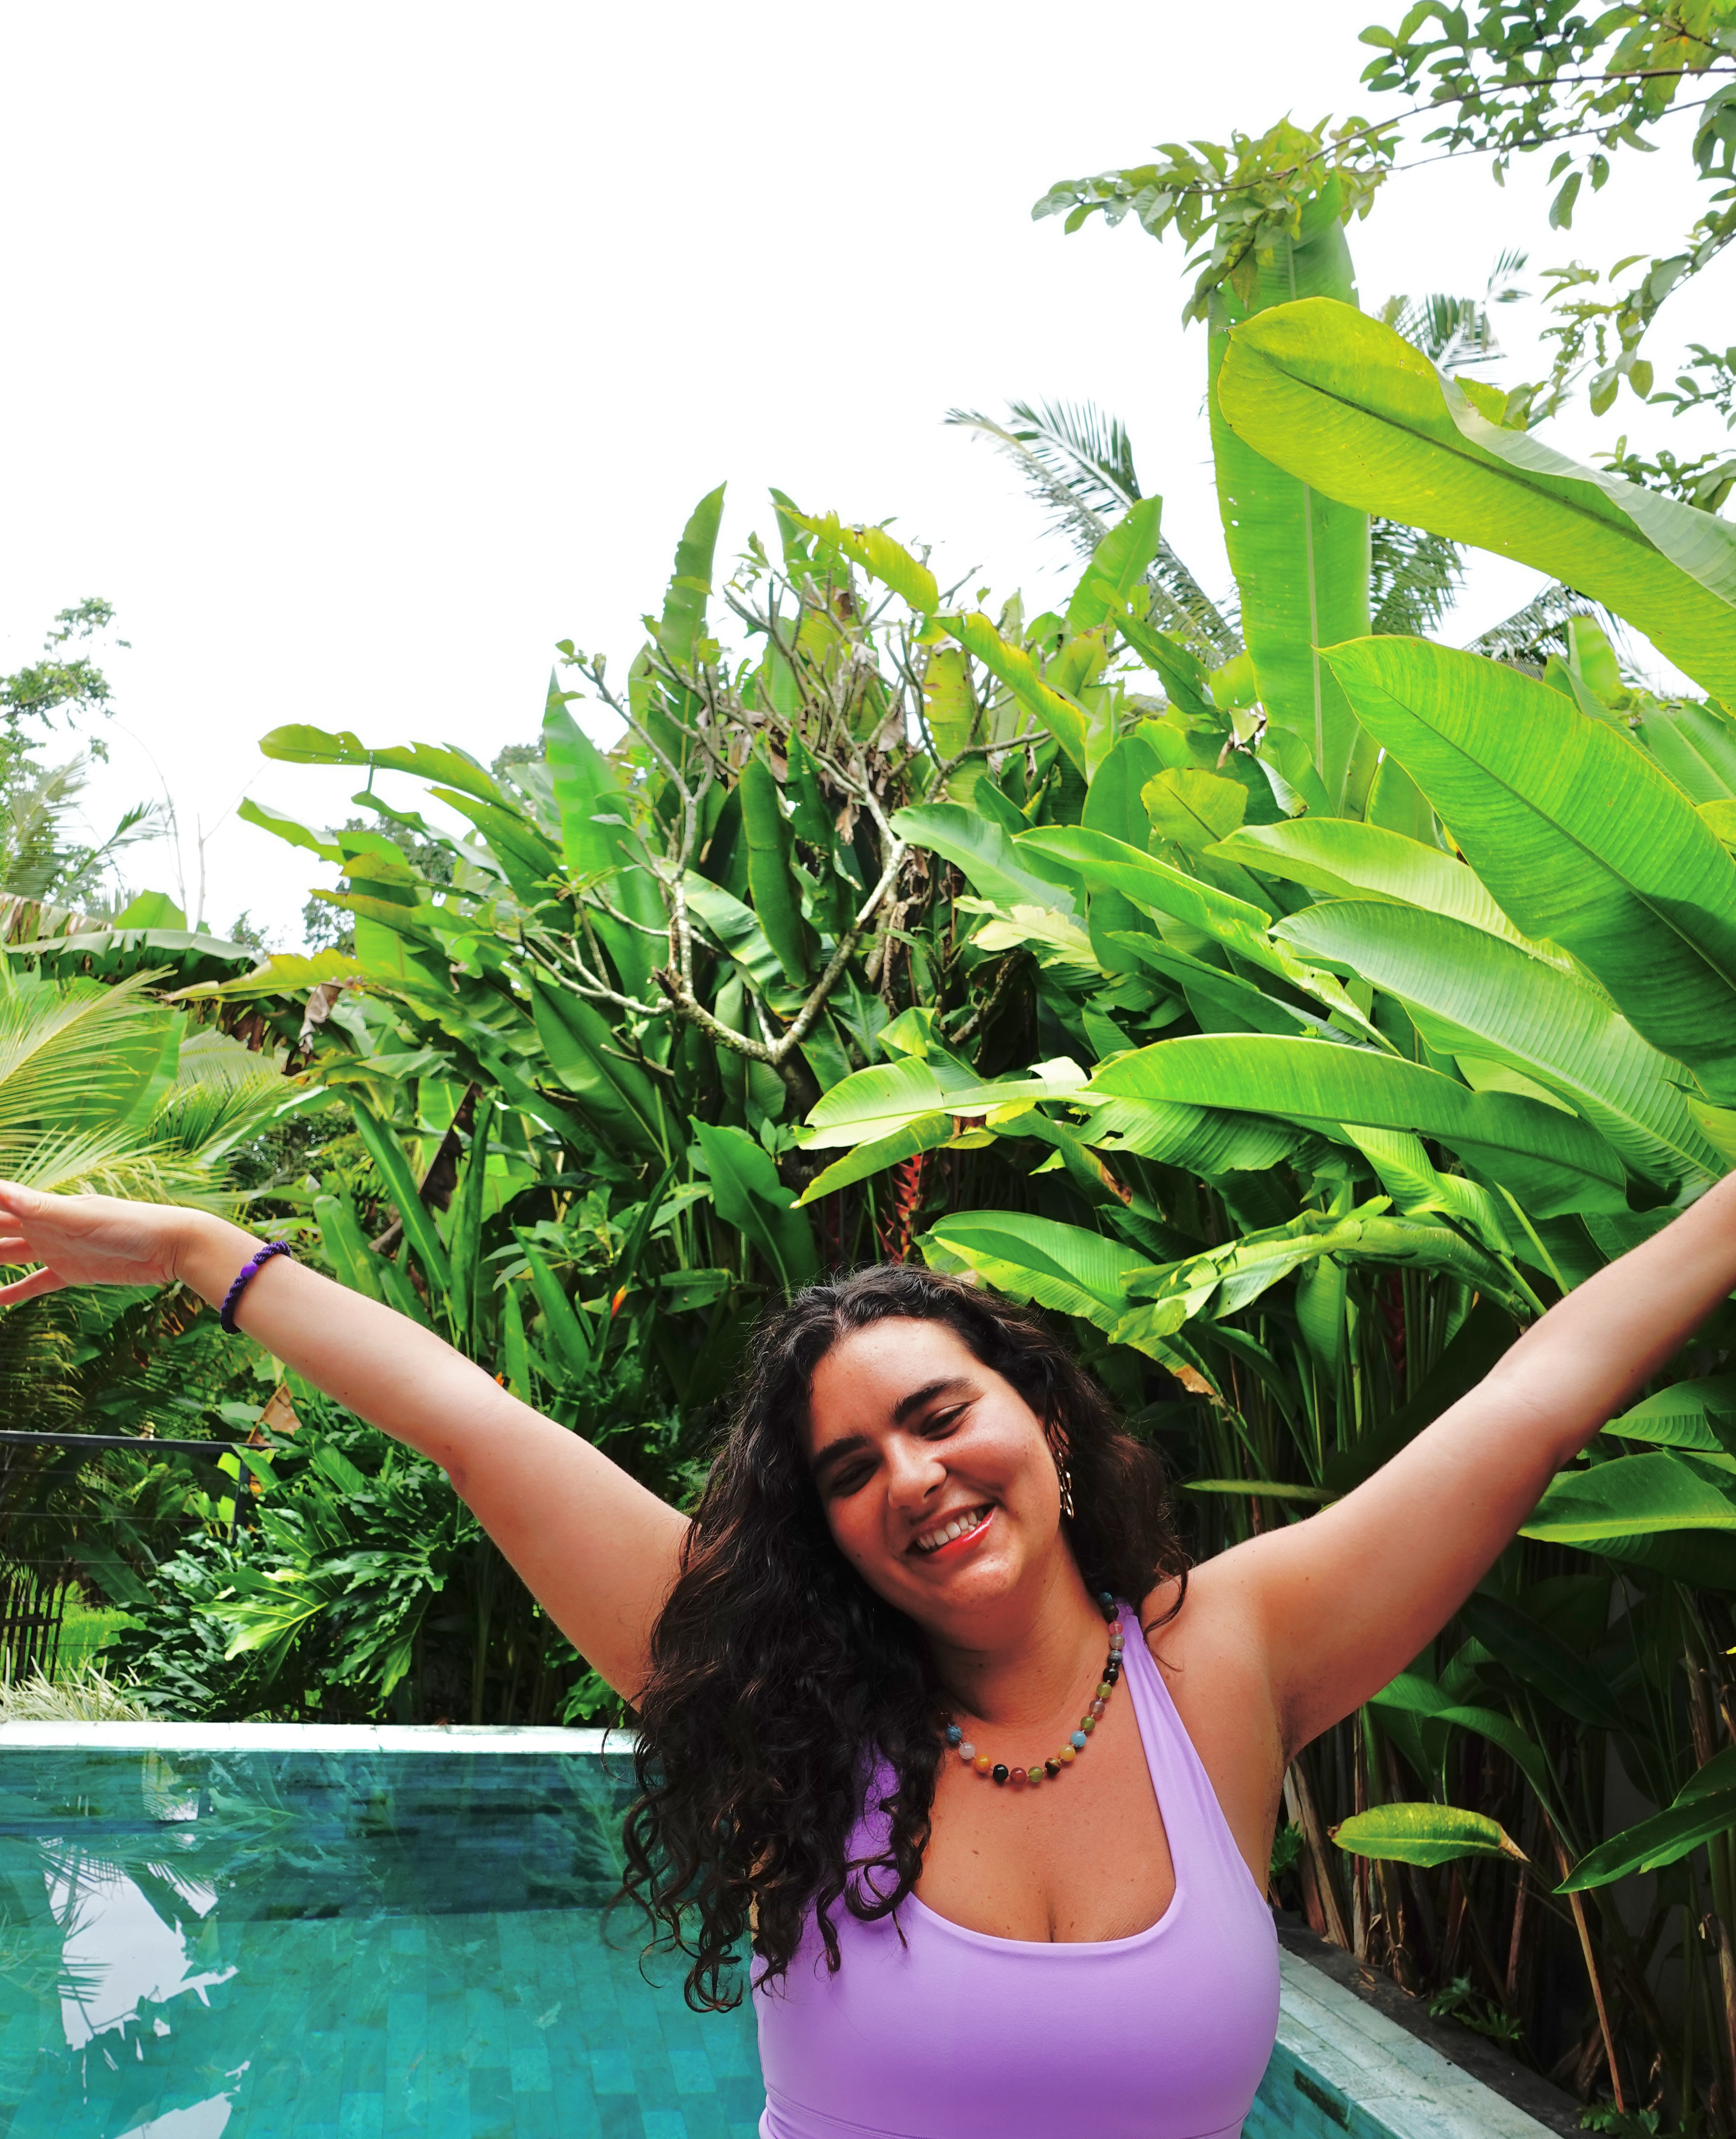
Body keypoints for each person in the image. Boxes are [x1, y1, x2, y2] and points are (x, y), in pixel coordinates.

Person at [0, 1177, 1730, 2139]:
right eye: (848, 1468)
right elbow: (471, 1421)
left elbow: (1537, 1396)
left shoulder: (1231, 1657)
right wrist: (200, 1256)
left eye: (940, 1414)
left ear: (1045, 1421)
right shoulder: (788, 1708)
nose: (911, 1476)